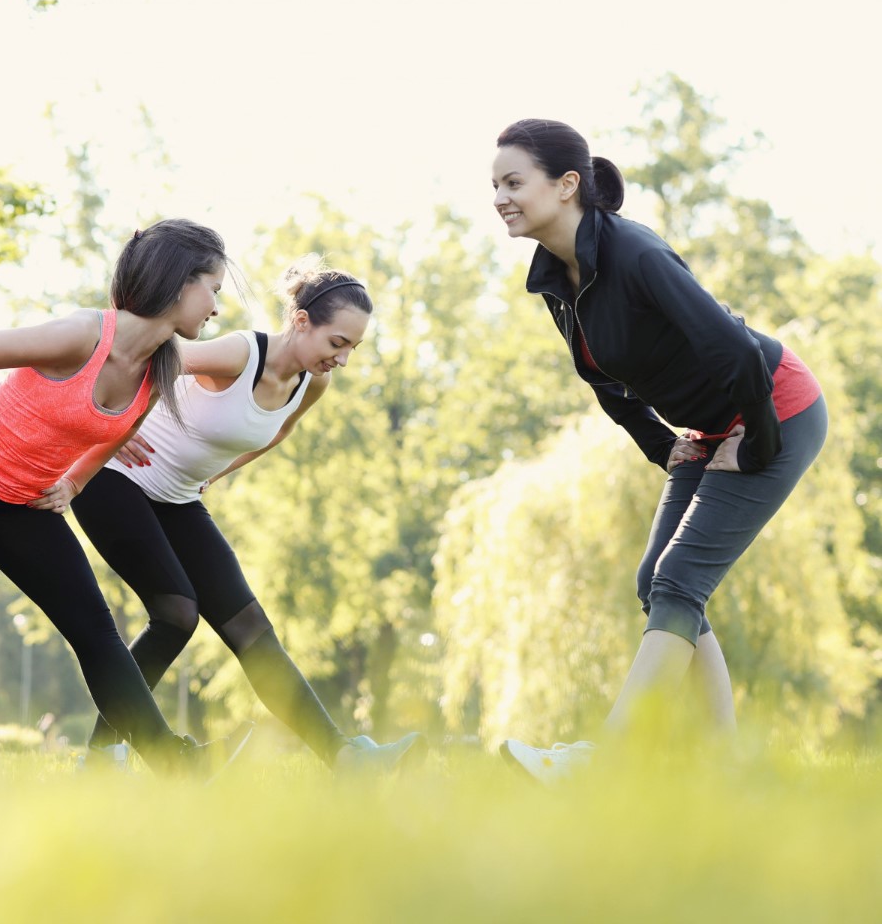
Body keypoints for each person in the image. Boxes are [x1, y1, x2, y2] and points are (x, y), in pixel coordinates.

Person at [490, 119, 827, 783]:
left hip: (776, 407)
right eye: (494, 185)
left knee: (680, 583)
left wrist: (756, 444)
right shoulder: (559, 279)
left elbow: (732, 348)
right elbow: (600, 378)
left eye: (513, 181)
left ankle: (604, 765)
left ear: (566, 185)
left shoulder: (635, 254)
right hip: (707, 425)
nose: (500, 196)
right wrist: (659, 443)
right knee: (657, 584)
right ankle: (729, 769)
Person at [0, 219, 251, 776]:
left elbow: (117, 432)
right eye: (215, 290)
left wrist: (77, 480)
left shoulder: (160, 368)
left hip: (18, 498)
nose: (217, 308)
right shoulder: (85, 336)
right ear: (181, 283)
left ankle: (171, 762)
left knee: (93, 627)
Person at [70, 257, 423, 773]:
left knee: (252, 627)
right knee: (176, 613)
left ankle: (344, 758)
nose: (343, 359)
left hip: (178, 497)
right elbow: (146, 354)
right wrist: (109, 427)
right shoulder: (240, 352)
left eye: (352, 348)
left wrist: (217, 474)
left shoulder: (311, 383)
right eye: (337, 343)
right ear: (301, 321)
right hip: (116, 481)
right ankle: (104, 756)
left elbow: (278, 431)